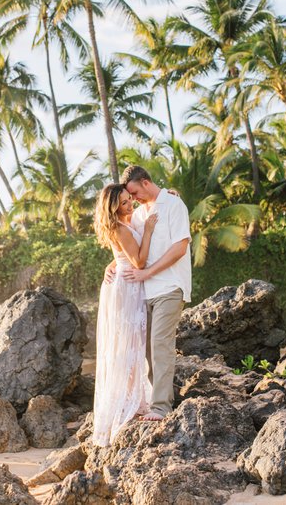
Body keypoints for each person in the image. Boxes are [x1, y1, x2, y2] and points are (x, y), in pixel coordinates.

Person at [120, 164, 192, 422]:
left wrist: (147, 273)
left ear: (146, 182)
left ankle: (162, 407)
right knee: (148, 350)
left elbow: (180, 248)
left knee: (161, 344)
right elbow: (130, 247)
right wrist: (113, 266)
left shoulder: (174, 206)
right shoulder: (139, 216)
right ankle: (154, 402)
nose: (133, 199)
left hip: (170, 287)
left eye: (135, 192)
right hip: (144, 292)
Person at [90, 183, 158, 446]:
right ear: (113, 208)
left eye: (130, 200)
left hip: (127, 283)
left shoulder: (125, 223)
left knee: (132, 344)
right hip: (126, 287)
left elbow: (122, 254)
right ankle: (129, 401)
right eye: (124, 203)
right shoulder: (119, 226)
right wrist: (149, 231)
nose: (130, 205)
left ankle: (135, 398)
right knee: (127, 346)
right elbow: (138, 261)